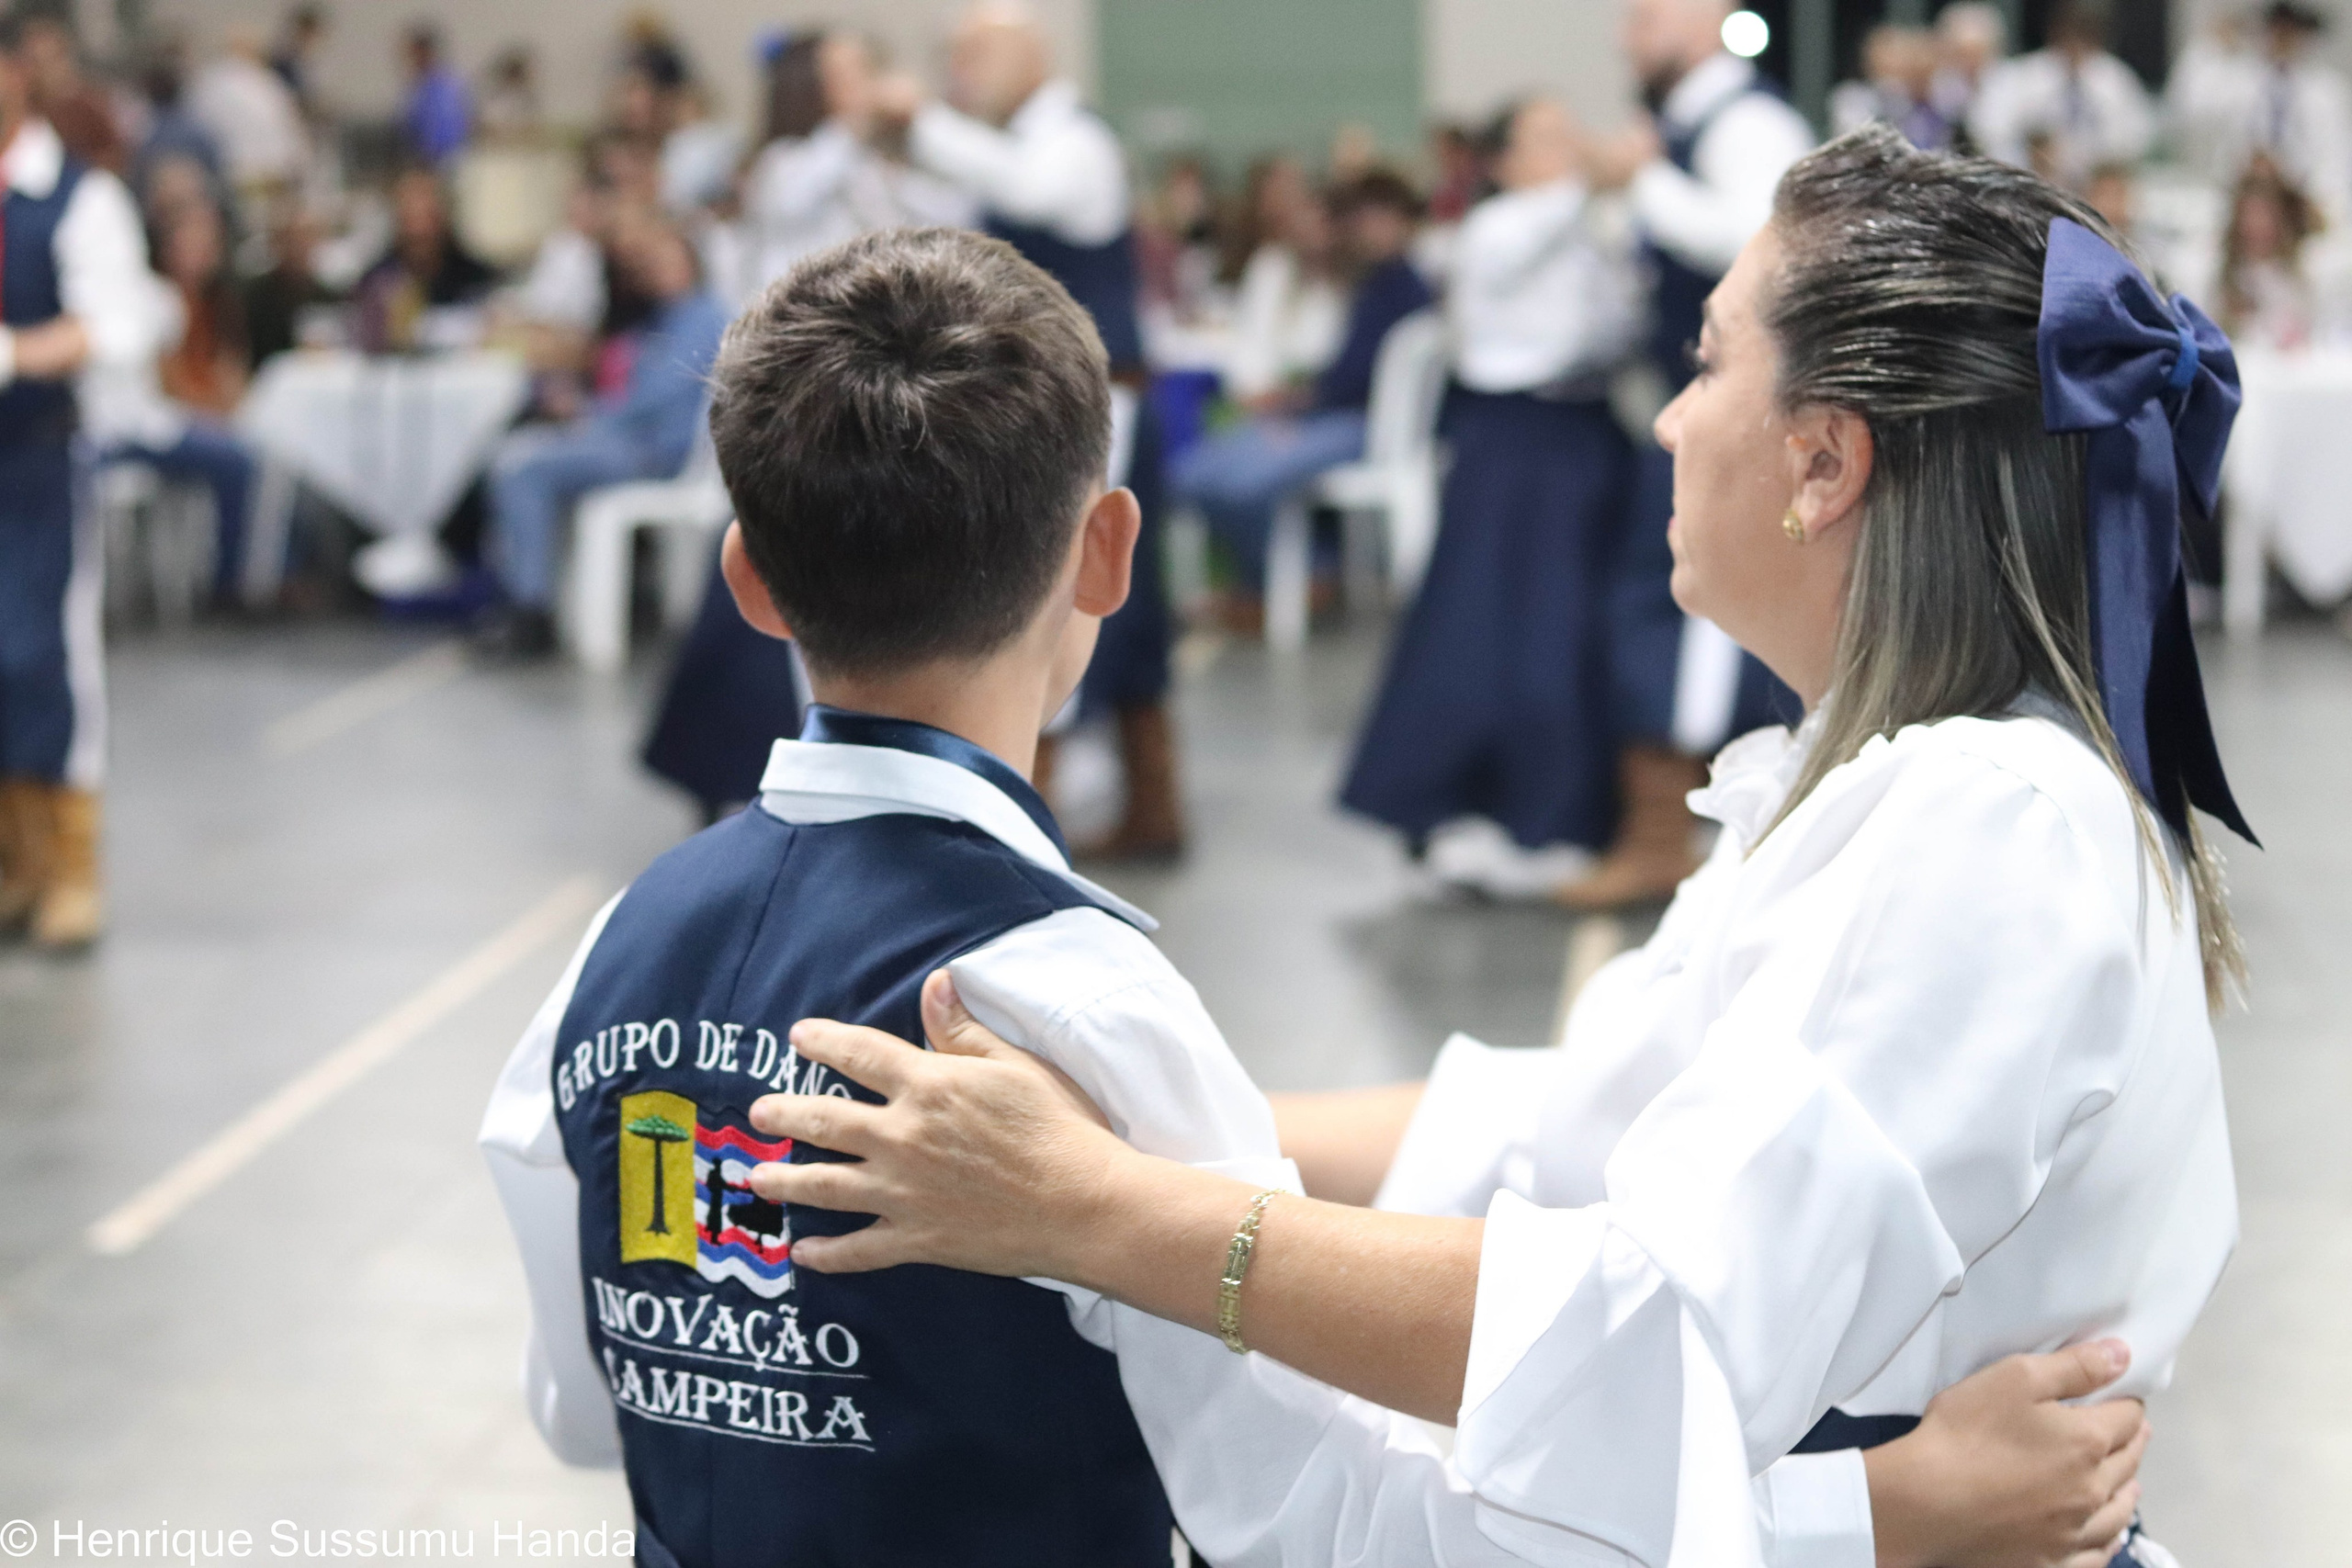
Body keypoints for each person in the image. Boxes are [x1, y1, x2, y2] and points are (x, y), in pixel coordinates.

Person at [741, 126, 2246, 1568]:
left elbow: (1645, 1338)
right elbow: (1576, 1127)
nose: (1668, 415)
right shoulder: (1886, 786)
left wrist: (1110, 1210)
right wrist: (1141, 1103)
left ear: (1822, 463)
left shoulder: (1994, 830)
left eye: (1708, 360)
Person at [478, 226, 1254, 1567]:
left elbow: (580, 1410)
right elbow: (1261, 1471)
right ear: (1108, 553)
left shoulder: (616, 944)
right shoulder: (1087, 996)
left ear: (750, 583)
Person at [888, 1, 1182, 862]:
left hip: (1104, 411)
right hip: (1075, 408)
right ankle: (1145, 811)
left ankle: (1032, 829)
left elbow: (1031, 190)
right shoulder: (1009, 146)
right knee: (1098, 606)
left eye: (981, 54)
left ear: (1036, 57)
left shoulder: (1071, 145)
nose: (964, 71)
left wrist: (922, 121)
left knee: (1059, 604)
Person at [1339, 99, 1641, 898]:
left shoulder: (1593, 225)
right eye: (1547, 139)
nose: (1570, 147)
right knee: (1502, 629)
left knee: (1572, 633)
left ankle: (1561, 815)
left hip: (1587, 429)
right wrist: (1598, 180)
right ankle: (1467, 810)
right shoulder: (1495, 227)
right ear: (1504, 163)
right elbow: (1534, 239)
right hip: (1514, 440)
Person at [1561, 0, 1815, 910]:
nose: (1629, 31)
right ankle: (1661, 831)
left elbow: (1762, 246)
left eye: (1649, 13)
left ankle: (1668, 838)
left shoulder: (1749, 122)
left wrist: (1639, 184)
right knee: (1654, 609)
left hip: (1727, 419)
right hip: (1669, 412)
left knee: (1686, 624)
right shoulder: (1679, 129)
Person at [0, 10, 167, 951]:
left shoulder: (74, 195)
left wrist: (18, 354)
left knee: (42, 657)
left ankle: (70, 863)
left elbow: (117, 320)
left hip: (33, 460)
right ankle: (14, 860)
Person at [1169, 170, 1431, 622]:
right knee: (1195, 473)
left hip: (1351, 423)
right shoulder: (1376, 282)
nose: (1367, 228)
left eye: (1378, 217)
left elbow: (1352, 382)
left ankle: (1295, 578)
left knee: (1236, 481)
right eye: (1361, 218)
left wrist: (1296, 409)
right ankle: (1294, 575)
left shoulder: (1398, 287)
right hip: (1323, 414)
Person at [475, 212, 725, 660]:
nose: (654, 269)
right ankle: (525, 597)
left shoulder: (703, 316)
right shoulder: (664, 318)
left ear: (690, 260)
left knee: (523, 467)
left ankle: (530, 610)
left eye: (664, 259)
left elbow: (656, 397)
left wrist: (588, 414)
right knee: (521, 454)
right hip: (634, 442)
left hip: (657, 453)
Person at [1969, 1, 2154, 194]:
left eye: (2087, 36)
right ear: (2056, 32)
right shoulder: (2020, 77)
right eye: (2071, 35)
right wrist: (2031, 151)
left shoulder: (2117, 82)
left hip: (2095, 193)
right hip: (2030, 188)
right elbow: (1989, 132)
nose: (2077, 46)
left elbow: (2135, 146)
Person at [1216, 154, 1345, 405]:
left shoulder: (1348, 281)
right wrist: (1254, 392)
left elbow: (1329, 357)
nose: (1313, 227)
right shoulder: (1270, 266)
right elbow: (1249, 341)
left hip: (1312, 402)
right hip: (1262, 398)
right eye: (1306, 213)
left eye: (1324, 219)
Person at [350, 164, 496, 353]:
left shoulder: (477, 279)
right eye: (410, 217)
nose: (420, 230)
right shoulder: (375, 280)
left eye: (428, 215)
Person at [187, 24, 306, 212]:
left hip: (235, 176)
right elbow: (290, 132)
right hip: (267, 176)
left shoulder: (208, 83)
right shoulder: (268, 83)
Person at [19, 12, 124, 174]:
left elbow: (114, 157)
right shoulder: (23, 109)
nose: (39, 72)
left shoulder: (89, 107)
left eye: (46, 61)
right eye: (33, 62)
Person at [401, 22, 470, 169]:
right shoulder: (418, 86)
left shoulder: (442, 87)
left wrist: (427, 159)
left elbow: (444, 131)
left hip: (440, 161)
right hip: (422, 158)